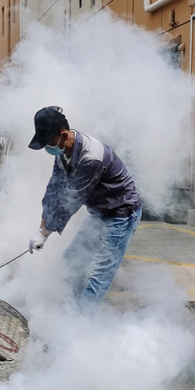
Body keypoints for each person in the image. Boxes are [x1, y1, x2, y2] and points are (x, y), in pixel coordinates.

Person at [27, 106, 142, 302]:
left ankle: (82, 319)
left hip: (121, 214)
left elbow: (73, 199)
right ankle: (72, 309)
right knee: (71, 262)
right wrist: (41, 228)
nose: (47, 147)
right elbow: (54, 188)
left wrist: (46, 233)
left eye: (48, 142)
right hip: (100, 213)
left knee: (99, 276)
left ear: (63, 135)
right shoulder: (62, 153)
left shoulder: (91, 157)